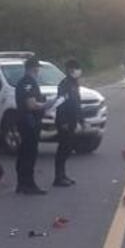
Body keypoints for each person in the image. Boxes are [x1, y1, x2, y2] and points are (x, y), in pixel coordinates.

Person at [14, 55, 47, 195]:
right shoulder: (29, 82)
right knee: (29, 153)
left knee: (23, 153)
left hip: (24, 121)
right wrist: (45, 105)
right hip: (29, 122)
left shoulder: (23, 82)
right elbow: (31, 104)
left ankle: (21, 184)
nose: (39, 71)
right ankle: (29, 184)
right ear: (33, 68)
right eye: (38, 68)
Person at [53, 59, 83, 187]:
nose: (78, 71)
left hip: (72, 121)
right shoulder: (64, 84)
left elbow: (77, 103)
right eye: (76, 69)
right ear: (70, 70)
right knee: (63, 148)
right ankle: (58, 177)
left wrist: (81, 120)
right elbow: (61, 104)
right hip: (64, 121)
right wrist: (63, 121)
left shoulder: (74, 83)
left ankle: (63, 175)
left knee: (68, 148)